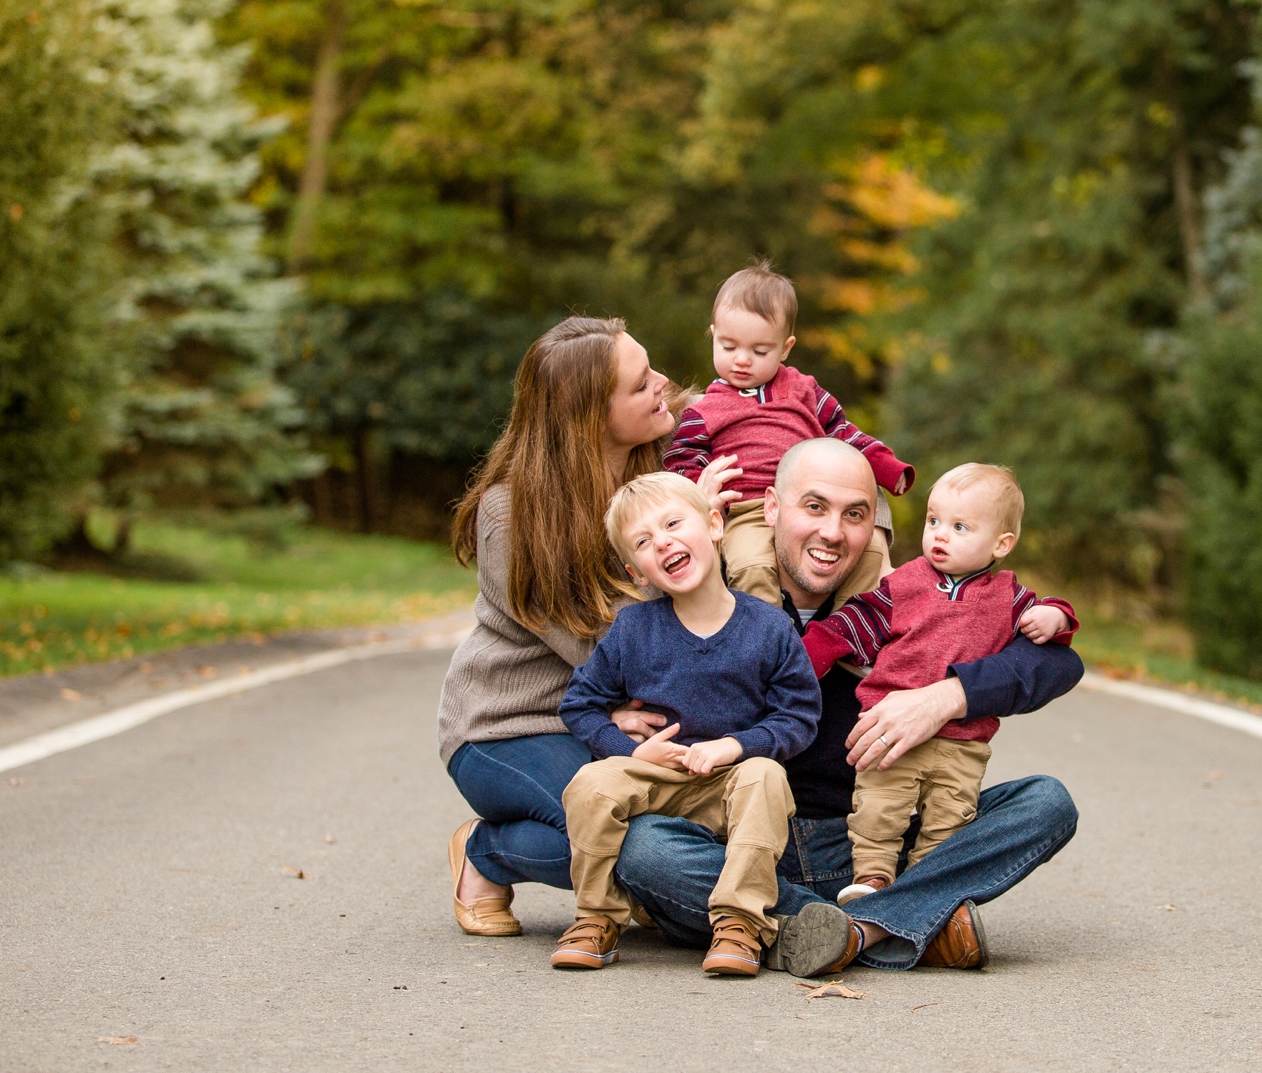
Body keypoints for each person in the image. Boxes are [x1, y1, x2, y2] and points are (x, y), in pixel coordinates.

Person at [611, 437, 1083, 975]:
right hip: (749, 847)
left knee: (1046, 802)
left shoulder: (900, 599)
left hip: (876, 841)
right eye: (814, 507)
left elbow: (1058, 664)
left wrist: (944, 698)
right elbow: (599, 685)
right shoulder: (707, 596)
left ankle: (850, 929)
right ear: (770, 508)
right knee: (646, 849)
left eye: (854, 514)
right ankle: (908, 921)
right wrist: (614, 717)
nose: (832, 532)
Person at [436, 316, 736, 937]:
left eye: (649, 366)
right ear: (588, 419)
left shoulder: (667, 450)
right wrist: (608, 719)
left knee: (683, 832)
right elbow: (605, 648)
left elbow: (782, 432)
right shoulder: (512, 515)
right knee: (632, 844)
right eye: (638, 385)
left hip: (612, 712)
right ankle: (486, 854)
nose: (662, 385)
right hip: (512, 727)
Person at [549, 472, 822, 976]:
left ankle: (740, 924)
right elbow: (581, 704)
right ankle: (596, 918)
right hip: (660, 774)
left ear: (714, 523)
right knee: (591, 783)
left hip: (729, 778)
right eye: (644, 541)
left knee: (766, 775)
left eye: (674, 523)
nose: (664, 542)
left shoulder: (769, 626)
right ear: (638, 571)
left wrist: (734, 747)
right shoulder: (634, 629)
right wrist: (631, 752)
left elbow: (799, 716)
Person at [805, 463, 1077, 904]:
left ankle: (919, 892)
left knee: (952, 820)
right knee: (879, 809)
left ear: (1002, 544)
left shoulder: (1008, 597)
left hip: (961, 743)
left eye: (959, 527)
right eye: (933, 521)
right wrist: (802, 657)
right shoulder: (904, 584)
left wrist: (1057, 615)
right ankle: (875, 881)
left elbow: (1057, 654)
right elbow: (854, 624)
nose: (940, 535)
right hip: (888, 740)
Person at [663, 259, 913, 604]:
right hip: (747, 510)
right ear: (713, 336)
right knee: (750, 566)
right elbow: (680, 461)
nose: (741, 360)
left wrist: (888, 468)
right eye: (728, 346)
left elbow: (844, 432)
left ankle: (844, 635)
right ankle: (773, 644)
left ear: (785, 347)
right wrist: (700, 492)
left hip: (809, 504)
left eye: (759, 350)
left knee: (870, 554)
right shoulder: (703, 410)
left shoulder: (804, 390)